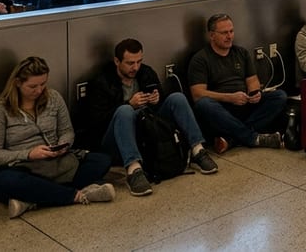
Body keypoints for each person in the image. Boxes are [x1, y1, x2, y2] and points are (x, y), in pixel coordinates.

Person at [79, 39, 218, 197]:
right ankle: (134, 170)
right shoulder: (101, 82)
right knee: (125, 111)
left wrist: (157, 100)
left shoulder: (146, 73)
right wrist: (129, 104)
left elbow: (158, 111)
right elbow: (96, 123)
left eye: (139, 62)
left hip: (147, 131)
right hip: (116, 138)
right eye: (130, 63)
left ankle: (198, 150)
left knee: (177, 98)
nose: (135, 67)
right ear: (117, 61)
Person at [0, 56, 116, 218]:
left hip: (55, 162)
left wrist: (62, 145)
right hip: (21, 167)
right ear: (17, 83)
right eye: (32, 86)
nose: (38, 90)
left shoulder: (53, 98)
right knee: (6, 182)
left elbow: (67, 131)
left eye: (43, 84)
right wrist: (29, 154)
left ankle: (31, 200)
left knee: (102, 160)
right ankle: (76, 195)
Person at [188, 14, 287, 151]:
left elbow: (253, 81)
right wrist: (229, 97)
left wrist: (254, 93)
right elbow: (197, 94)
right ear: (212, 35)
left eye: (231, 31)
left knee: (280, 96)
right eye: (224, 33)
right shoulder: (200, 59)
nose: (229, 36)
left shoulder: (241, 52)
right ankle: (253, 138)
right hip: (221, 109)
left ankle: (232, 140)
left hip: (244, 103)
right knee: (204, 104)